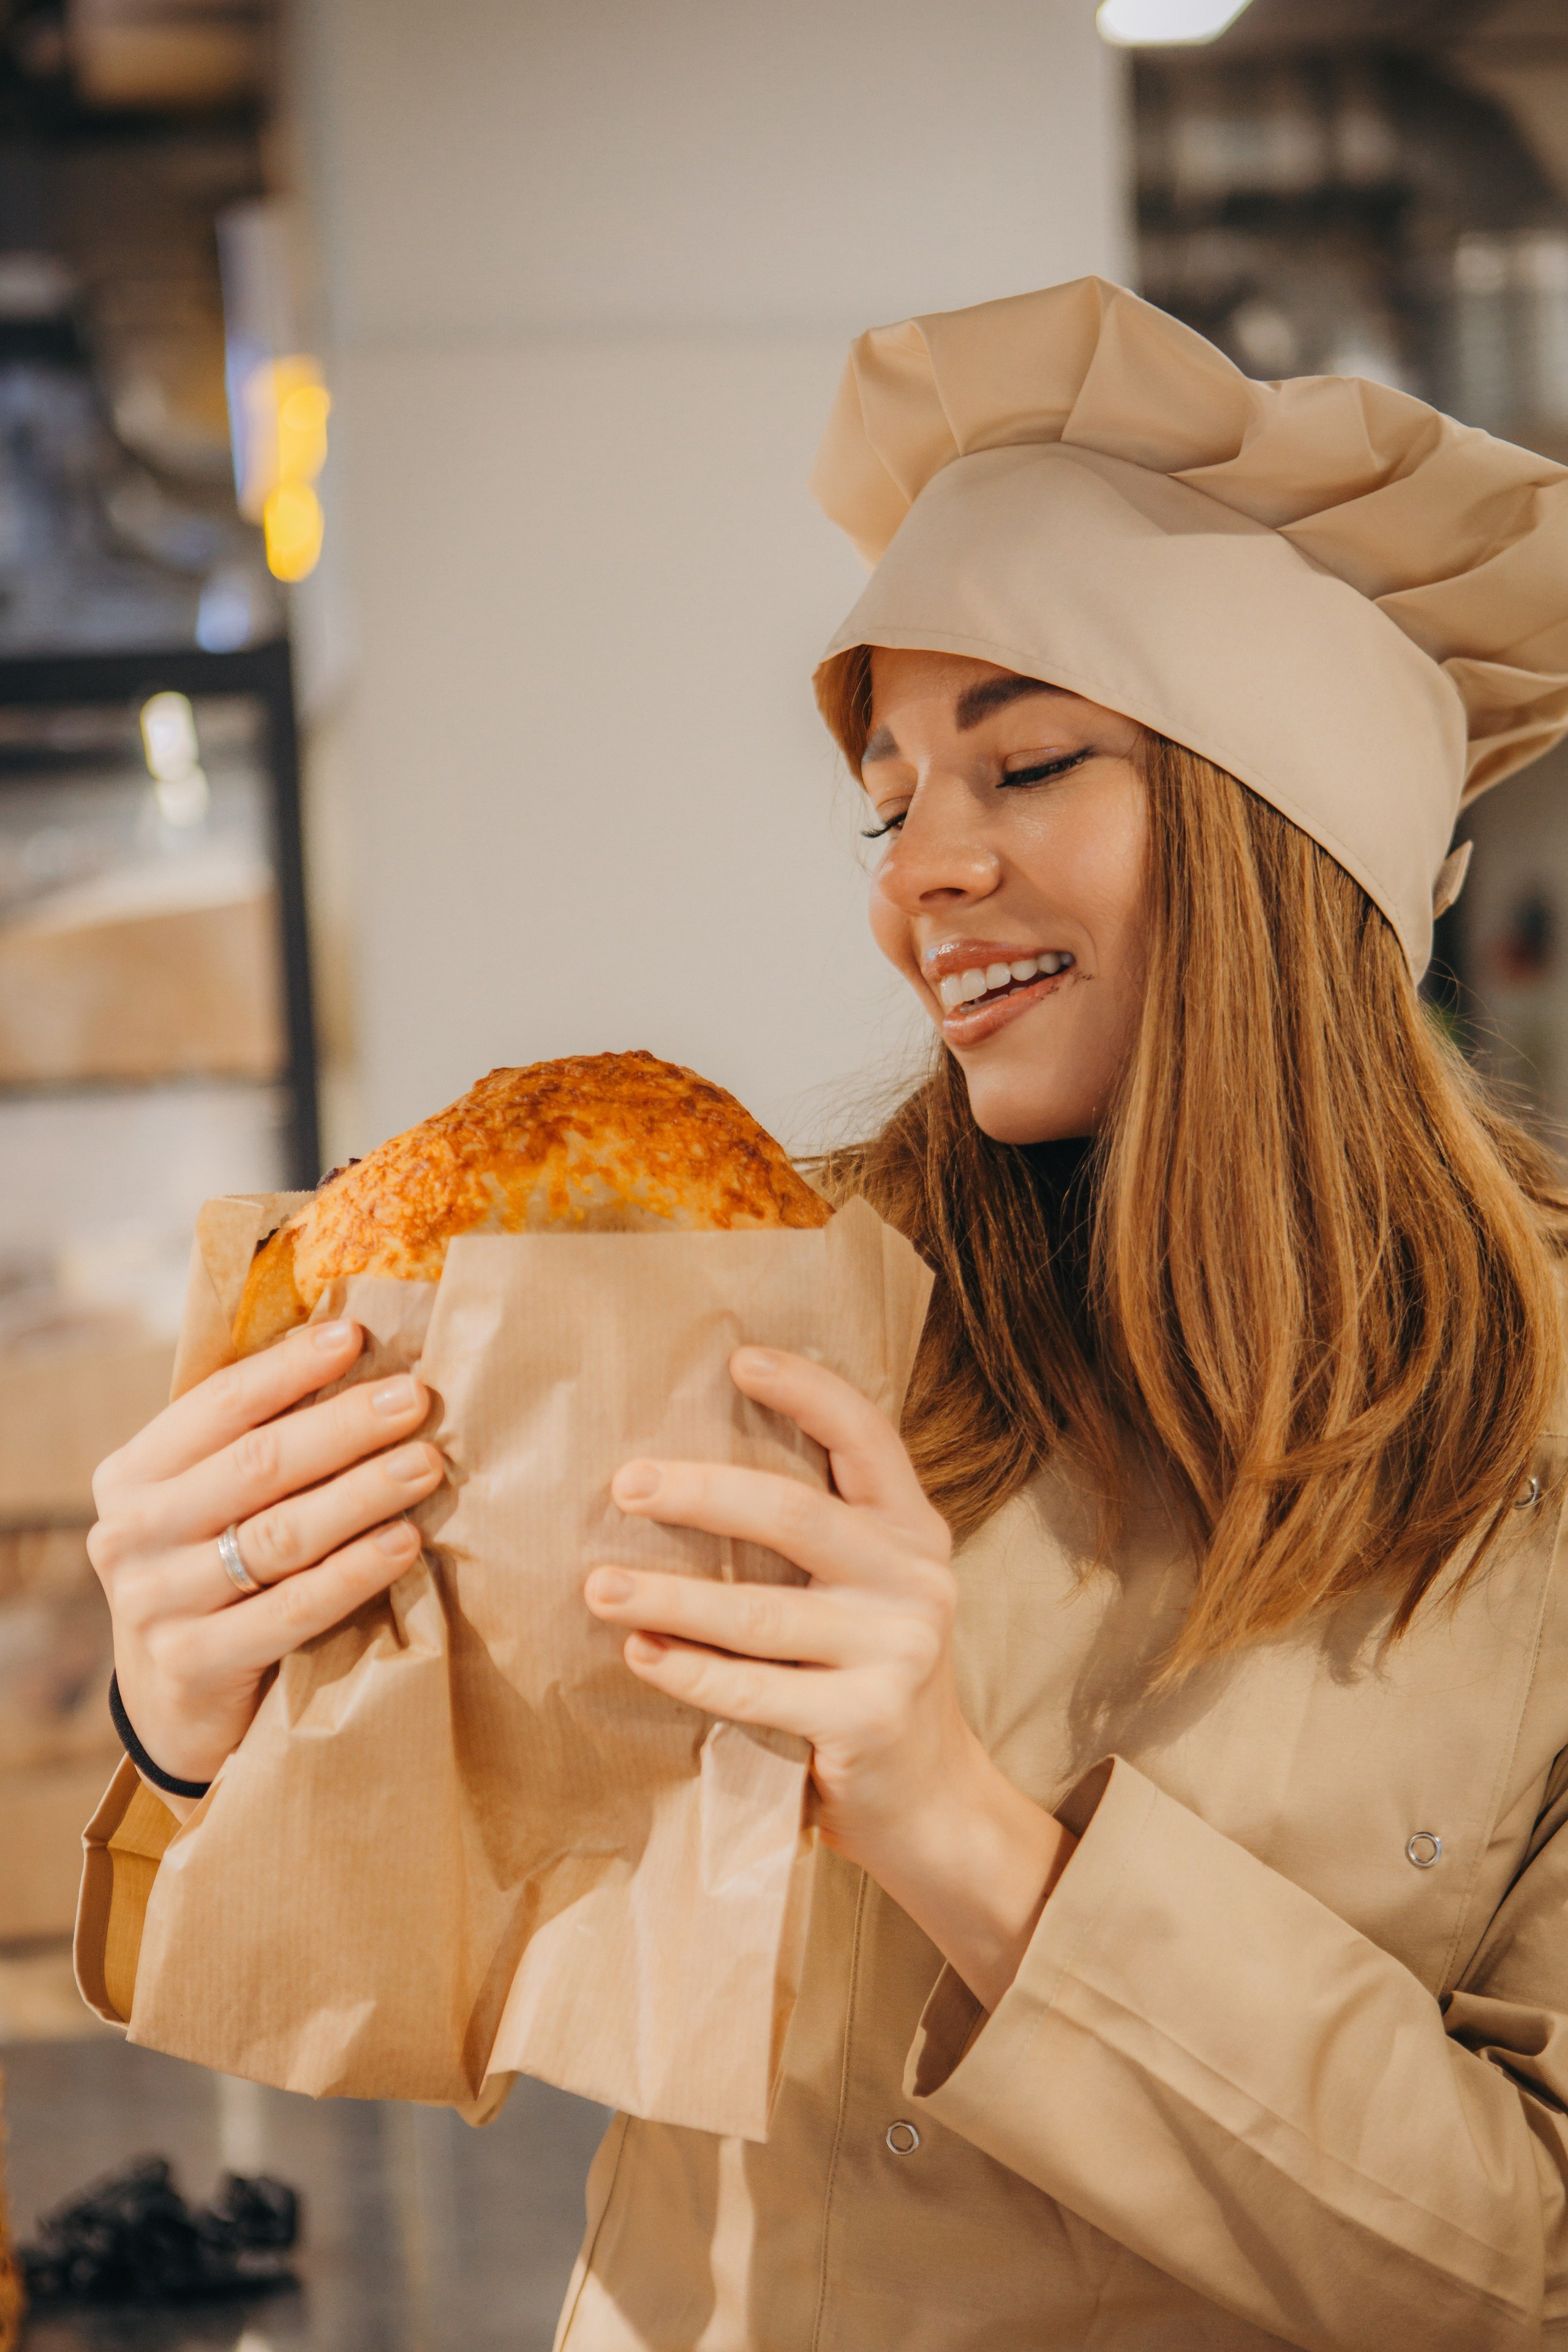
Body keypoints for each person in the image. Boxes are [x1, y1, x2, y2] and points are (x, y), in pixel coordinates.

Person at [80, 279, 1568, 2350]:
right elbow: (431, 1933)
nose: (913, 880)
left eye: (1023, 763)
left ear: (1289, 844)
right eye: (887, 803)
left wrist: (963, 1830)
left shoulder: (1548, 1440)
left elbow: (1537, 2264)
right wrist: (196, 1713)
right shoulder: (743, 1289)